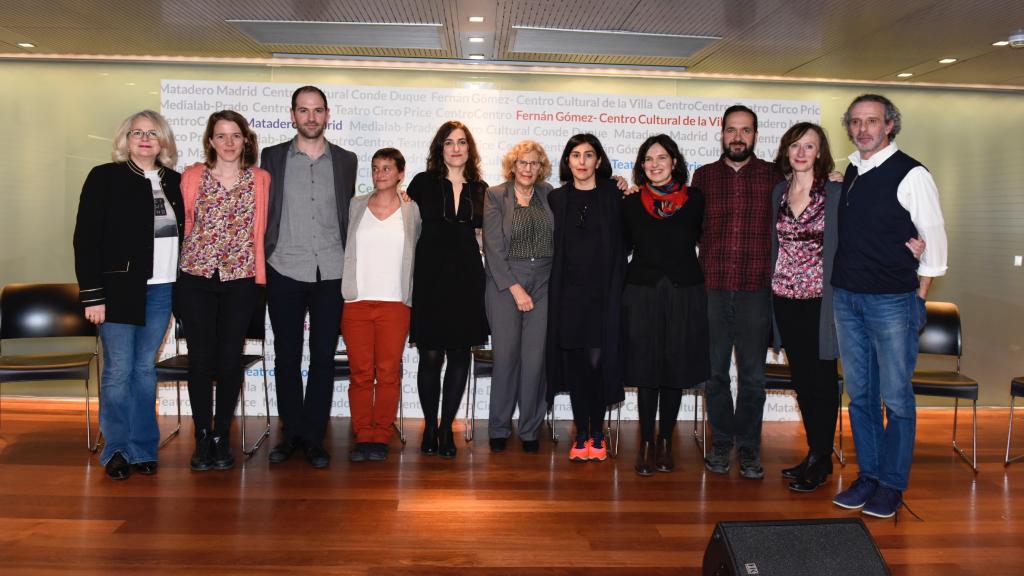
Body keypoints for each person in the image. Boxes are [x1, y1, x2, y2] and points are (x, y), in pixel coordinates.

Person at [831, 94, 947, 518]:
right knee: (861, 396)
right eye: (857, 121)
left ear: (890, 125)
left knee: (896, 399)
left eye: (873, 121)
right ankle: (869, 476)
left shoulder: (912, 174)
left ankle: (892, 485)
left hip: (894, 302)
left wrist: (918, 298)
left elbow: (935, 242)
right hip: (847, 298)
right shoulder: (853, 173)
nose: (863, 129)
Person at [73, 110, 183, 480]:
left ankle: (142, 450)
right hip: (117, 291)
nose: (145, 138)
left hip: (162, 290)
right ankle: (117, 449)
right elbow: (86, 240)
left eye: (152, 132)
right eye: (137, 132)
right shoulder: (104, 178)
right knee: (119, 371)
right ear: (125, 139)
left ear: (163, 140)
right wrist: (92, 296)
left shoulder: (176, 182)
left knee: (143, 370)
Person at [261, 86, 357, 469]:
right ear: (293, 115)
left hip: (332, 272)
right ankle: (292, 433)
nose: (311, 117)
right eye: (304, 111)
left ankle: (314, 437)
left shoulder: (347, 160)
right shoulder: (271, 157)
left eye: (318, 111)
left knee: (322, 358)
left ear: (327, 114)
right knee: (286, 356)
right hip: (284, 267)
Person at [693, 104, 783, 479]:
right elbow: (688, 228)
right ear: (722, 134)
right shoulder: (704, 177)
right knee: (714, 375)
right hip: (711, 288)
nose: (738, 137)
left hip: (755, 291)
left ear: (756, 136)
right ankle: (722, 443)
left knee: (753, 379)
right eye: (732, 130)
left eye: (745, 130)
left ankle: (749, 449)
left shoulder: (775, 177)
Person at [176, 110, 269, 471]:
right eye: (221, 136)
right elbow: (184, 221)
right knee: (200, 360)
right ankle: (201, 436)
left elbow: (261, 229)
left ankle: (220, 436)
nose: (228, 143)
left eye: (235, 135)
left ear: (245, 140)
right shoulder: (192, 176)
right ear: (210, 141)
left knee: (230, 360)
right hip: (196, 277)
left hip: (242, 280)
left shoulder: (261, 180)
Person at [622, 134, 709, 476]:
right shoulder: (629, 202)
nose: (655, 164)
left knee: (674, 368)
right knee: (645, 369)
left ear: (674, 162)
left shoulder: (696, 199)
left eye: (662, 158)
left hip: (684, 292)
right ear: (641, 166)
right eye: (648, 159)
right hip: (641, 292)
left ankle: (665, 442)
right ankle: (645, 441)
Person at [407, 120, 489, 459]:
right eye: (449, 142)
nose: (456, 148)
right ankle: (429, 424)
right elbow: (403, 226)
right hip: (430, 277)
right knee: (429, 356)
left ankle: (446, 430)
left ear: (470, 150)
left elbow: (486, 237)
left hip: (468, 278)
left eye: (462, 143)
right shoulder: (422, 183)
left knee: (459, 357)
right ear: (439, 148)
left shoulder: (482, 189)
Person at [546, 133, 627, 462]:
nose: (582, 161)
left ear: (599, 160)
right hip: (568, 296)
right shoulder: (556, 198)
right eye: (575, 155)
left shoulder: (613, 194)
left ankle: (598, 430)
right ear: (568, 161)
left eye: (588, 155)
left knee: (596, 363)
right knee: (577, 366)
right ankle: (582, 433)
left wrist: (628, 186)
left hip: (603, 296)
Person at [341, 148, 421, 463]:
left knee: (387, 373)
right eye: (375, 168)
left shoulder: (411, 210)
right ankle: (363, 435)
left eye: (387, 168)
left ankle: (381, 435)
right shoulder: (356, 205)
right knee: (360, 373)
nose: (380, 174)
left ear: (401, 173)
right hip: (357, 302)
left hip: (395, 303)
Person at [483, 140, 555, 454]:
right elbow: (493, 248)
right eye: (522, 163)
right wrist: (515, 288)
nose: (528, 169)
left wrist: (618, 182)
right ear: (513, 166)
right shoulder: (496, 195)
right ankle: (499, 427)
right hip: (505, 283)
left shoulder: (551, 194)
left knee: (535, 360)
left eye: (534, 163)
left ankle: (529, 429)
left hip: (545, 280)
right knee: (507, 358)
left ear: (542, 168)